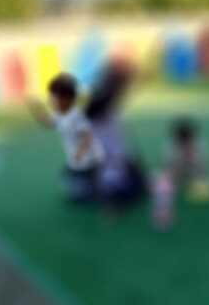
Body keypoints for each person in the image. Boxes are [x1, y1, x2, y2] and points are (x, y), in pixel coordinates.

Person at [27, 73, 103, 202]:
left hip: (89, 161)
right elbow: (48, 123)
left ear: (67, 99)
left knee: (79, 195)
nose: (51, 101)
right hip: (76, 162)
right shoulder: (59, 114)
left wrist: (80, 152)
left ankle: (96, 185)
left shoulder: (76, 116)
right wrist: (37, 111)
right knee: (70, 183)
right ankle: (88, 183)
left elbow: (87, 135)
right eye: (51, 97)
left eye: (54, 98)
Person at [85, 59, 147, 207]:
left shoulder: (107, 106)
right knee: (126, 189)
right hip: (105, 164)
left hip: (111, 160)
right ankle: (107, 196)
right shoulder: (100, 106)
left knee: (137, 182)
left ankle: (107, 192)